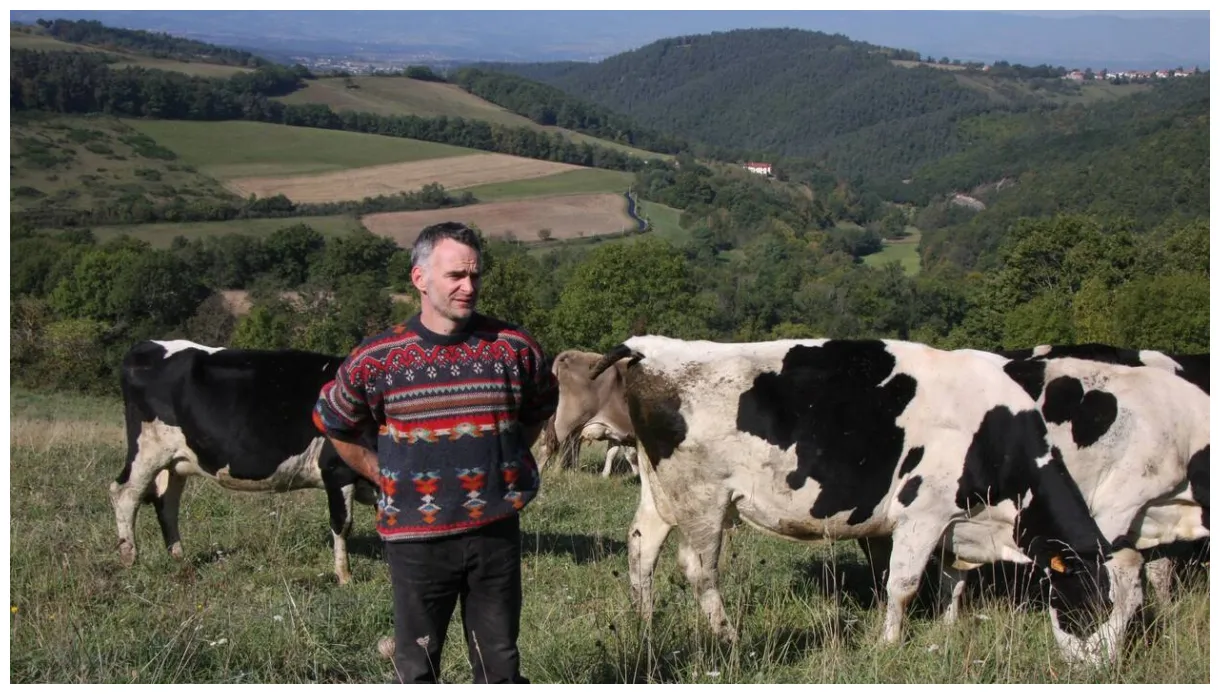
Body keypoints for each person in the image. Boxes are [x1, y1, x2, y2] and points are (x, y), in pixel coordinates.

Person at [313, 221, 559, 684]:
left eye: (475, 276)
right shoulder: (378, 359)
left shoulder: (514, 349)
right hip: (416, 540)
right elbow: (333, 420)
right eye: (455, 276)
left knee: (500, 666)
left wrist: (503, 459)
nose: (469, 287)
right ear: (419, 278)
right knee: (418, 667)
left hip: (494, 534)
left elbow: (541, 405)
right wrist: (379, 471)